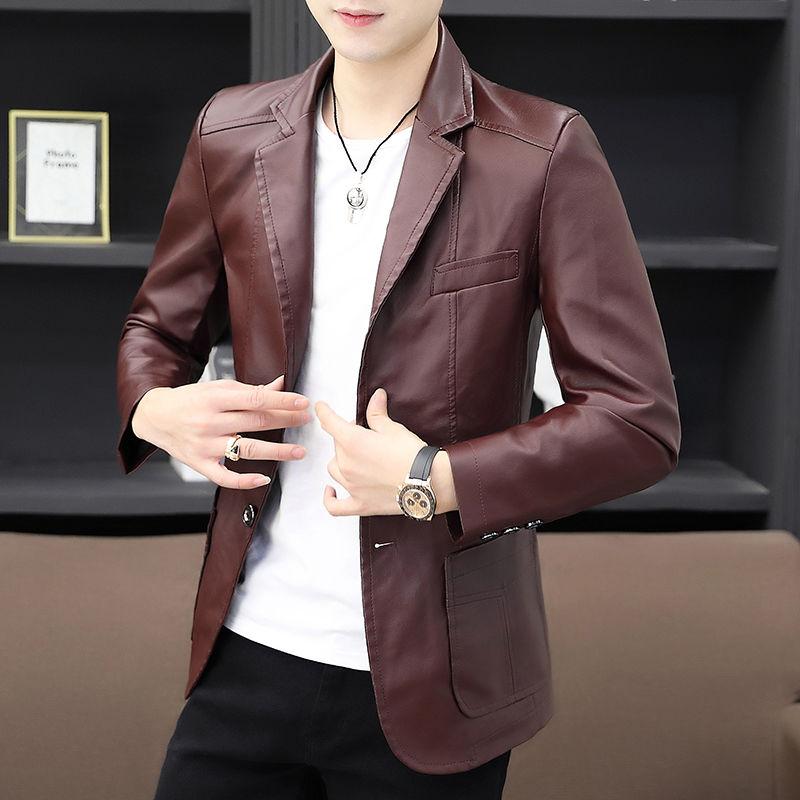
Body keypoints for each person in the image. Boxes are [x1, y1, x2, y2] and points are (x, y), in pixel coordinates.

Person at [117, 3, 681, 798]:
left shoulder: (542, 150)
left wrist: (432, 478)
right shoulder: (230, 131)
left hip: (438, 678)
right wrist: (154, 409)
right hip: (244, 651)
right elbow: (155, 329)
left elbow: (636, 420)